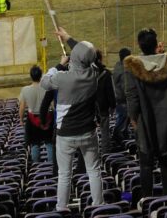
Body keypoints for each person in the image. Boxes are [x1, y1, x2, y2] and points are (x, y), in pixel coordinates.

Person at [42, 26, 107, 211]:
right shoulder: (95, 74)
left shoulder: (62, 77)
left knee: (64, 174)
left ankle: (62, 207)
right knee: (94, 171)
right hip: (88, 132)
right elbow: (88, 54)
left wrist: (59, 66)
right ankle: (98, 206)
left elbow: (45, 83)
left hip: (66, 135)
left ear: (74, 58)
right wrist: (68, 38)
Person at [124, 28, 167, 202]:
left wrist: (133, 118)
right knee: (166, 162)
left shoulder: (133, 68)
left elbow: (132, 98)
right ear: (156, 44)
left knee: (146, 164)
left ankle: (147, 200)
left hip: (145, 123)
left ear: (140, 46)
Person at [19, 66, 47, 164]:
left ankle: (36, 164)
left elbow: (22, 107)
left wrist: (21, 119)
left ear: (31, 76)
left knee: (35, 143)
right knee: (49, 143)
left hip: (32, 119)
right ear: (41, 75)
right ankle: (51, 164)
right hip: (47, 118)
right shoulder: (47, 88)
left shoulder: (25, 90)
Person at [95, 50, 117, 155]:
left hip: (89, 108)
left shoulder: (86, 73)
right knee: (104, 132)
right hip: (103, 107)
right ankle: (105, 153)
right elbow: (110, 91)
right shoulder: (106, 73)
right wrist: (112, 105)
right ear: (100, 59)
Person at [112, 48, 131, 145]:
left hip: (118, 98)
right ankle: (117, 136)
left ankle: (123, 134)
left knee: (123, 118)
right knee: (123, 119)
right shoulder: (123, 69)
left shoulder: (117, 65)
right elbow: (125, 87)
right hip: (123, 99)